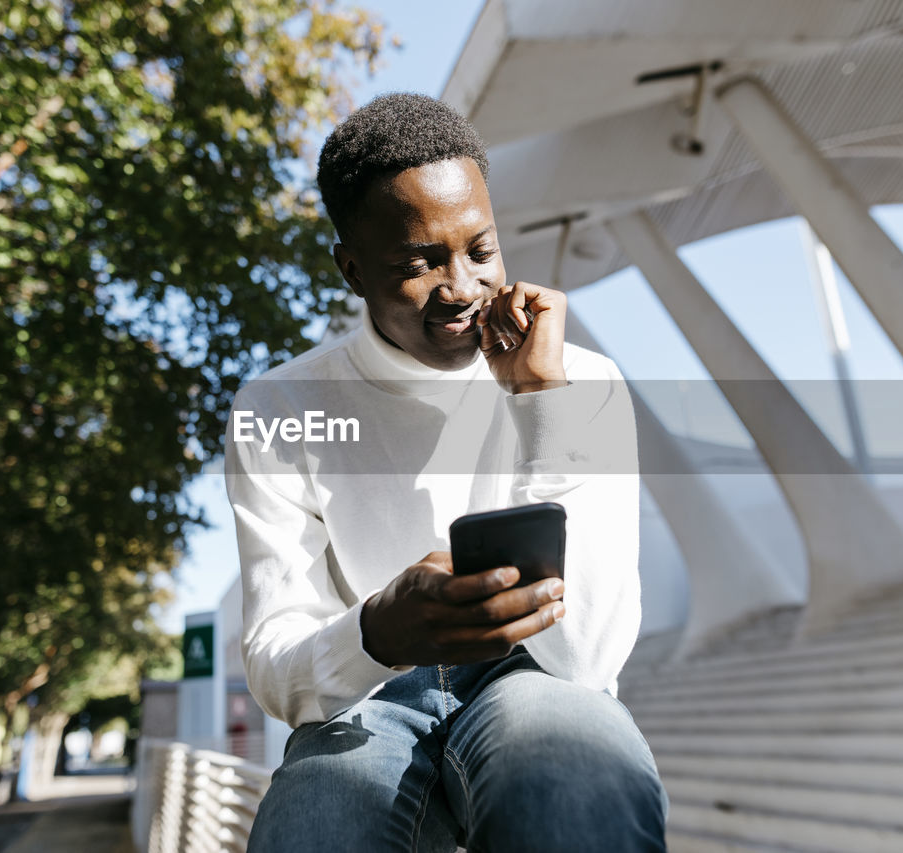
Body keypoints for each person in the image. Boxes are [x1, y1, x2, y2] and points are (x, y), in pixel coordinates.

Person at [224, 92, 668, 851]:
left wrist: (540, 403)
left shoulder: (580, 380)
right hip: (367, 698)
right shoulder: (280, 404)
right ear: (352, 268)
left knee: (579, 785)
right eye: (418, 263)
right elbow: (276, 663)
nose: (462, 288)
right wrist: (376, 629)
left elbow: (585, 657)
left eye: (480, 249)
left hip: (537, 681)